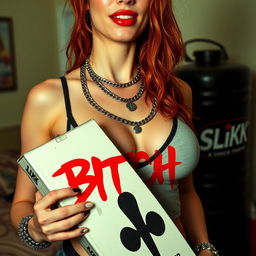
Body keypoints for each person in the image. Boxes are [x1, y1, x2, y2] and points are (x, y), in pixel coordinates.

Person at [11, 0, 219, 255]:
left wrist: (204, 248)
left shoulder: (177, 91)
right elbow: (22, 202)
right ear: (85, 4)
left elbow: (186, 192)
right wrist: (35, 230)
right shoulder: (49, 98)